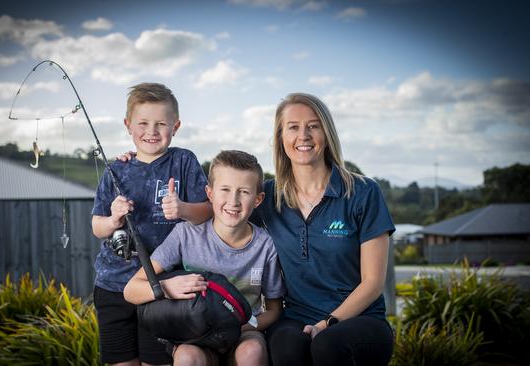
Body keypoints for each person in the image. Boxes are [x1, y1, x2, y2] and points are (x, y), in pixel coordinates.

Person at [251, 93, 395, 365]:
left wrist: (328, 322)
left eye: (313, 126)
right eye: (293, 127)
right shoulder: (268, 197)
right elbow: (224, 216)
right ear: (281, 137)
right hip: (295, 316)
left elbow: (373, 283)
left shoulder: (363, 192)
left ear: (326, 134)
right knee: (285, 347)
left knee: (328, 346)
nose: (303, 135)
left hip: (361, 320)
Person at [124, 150, 285, 366]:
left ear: (258, 199)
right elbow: (131, 290)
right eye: (225, 190)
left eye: (244, 192)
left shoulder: (265, 245)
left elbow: (274, 310)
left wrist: (234, 327)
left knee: (252, 351)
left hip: (243, 332)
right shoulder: (185, 235)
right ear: (209, 194)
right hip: (196, 335)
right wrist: (168, 287)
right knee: (187, 357)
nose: (233, 200)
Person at [92, 82, 213, 366]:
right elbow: (97, 226)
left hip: (164, 285)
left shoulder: (184, 161)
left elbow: (208, 211)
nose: (152, 132)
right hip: (113, 285)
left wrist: (183, 209)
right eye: (143, 123)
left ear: (176, 125)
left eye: (161, 123)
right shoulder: (115, 169)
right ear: (128, 125)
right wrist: (113, 220)